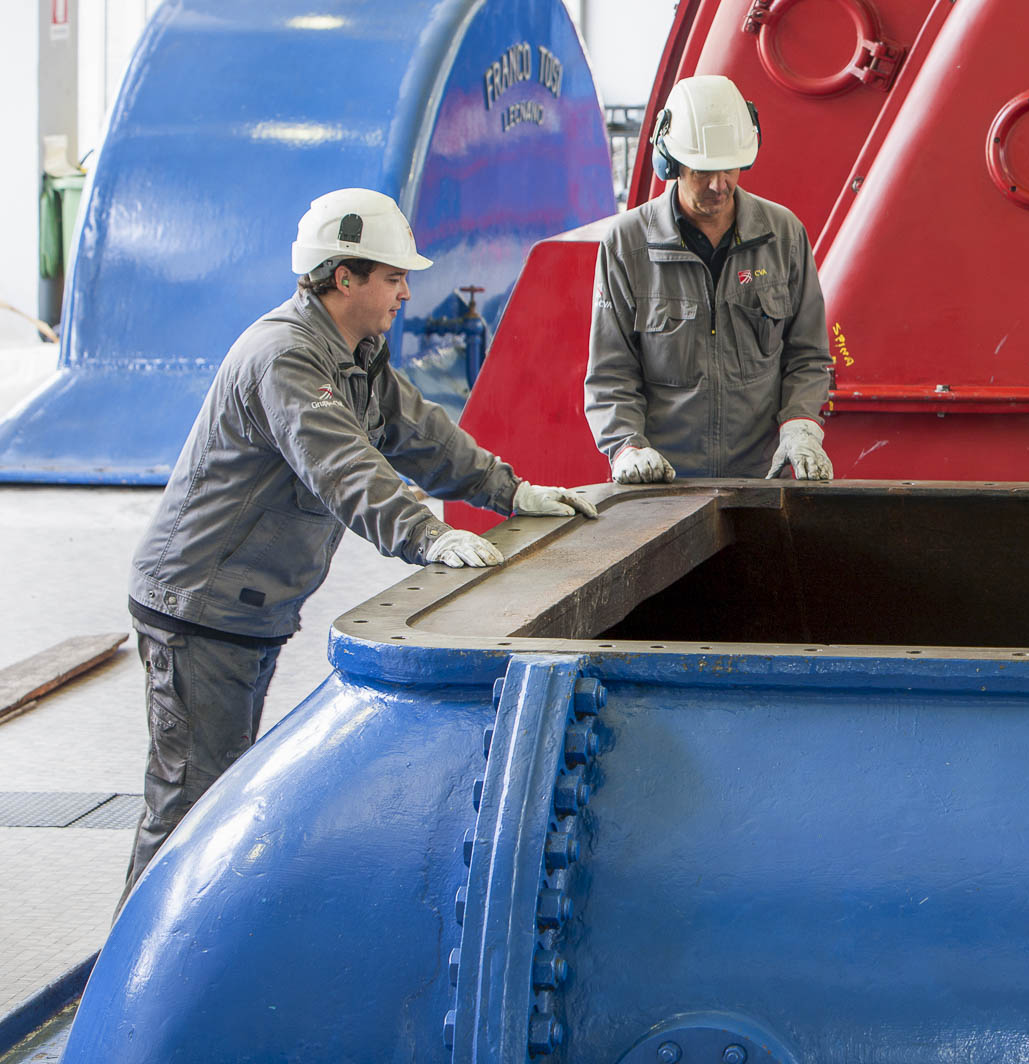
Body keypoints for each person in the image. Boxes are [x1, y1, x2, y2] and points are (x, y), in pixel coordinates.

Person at [121, 187, 598, 899]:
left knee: (214, 798)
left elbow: (423, 436)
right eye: (393, 276)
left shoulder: (359, 355)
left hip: (248, 609)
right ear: (345, 278)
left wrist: (511, 491)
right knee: (191, 806)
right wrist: (426, 536)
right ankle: (132, 992)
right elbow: (342, 466)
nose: (407, 291)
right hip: (199, 607)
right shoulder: (285, 357)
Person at [585, 74, 833, 482]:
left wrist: (800, 424)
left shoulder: (784, 235)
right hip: (664, 483)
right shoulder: (628, 245)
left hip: (762, 479)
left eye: (729, 168)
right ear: (672, 163)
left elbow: (807, 355)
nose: (720, 185)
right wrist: (626, 445)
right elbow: (612, 371)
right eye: (703, 171)